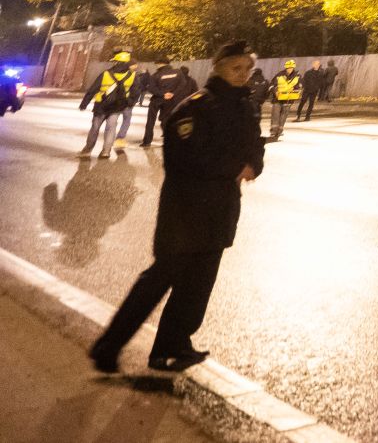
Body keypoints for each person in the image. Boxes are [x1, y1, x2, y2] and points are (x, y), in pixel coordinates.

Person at [89, 40, 263, 374]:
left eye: (248, 69)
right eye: (235, 68)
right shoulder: (194, 108)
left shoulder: (245, 107)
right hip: (185, 213)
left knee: (198, 286)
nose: (243, 75)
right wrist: (234, 168)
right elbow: (186, 159)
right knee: (158, 280)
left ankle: (172, 346)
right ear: (218, 67)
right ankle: (107, 347)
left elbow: (255, 146)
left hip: (221, 211)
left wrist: (254, 165)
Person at [79, 51, 140, 158]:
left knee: (95, 128)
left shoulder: (106, 74)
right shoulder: (132, 76)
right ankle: (106, 151)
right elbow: (136, 92)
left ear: (117, 62)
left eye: (116, 61)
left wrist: (84, 103)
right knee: (111, 129)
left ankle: (88, 149)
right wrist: (129, 103)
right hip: (117, 106)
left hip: (101, 106)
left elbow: (92, 90)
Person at [141, 62, 197, 148]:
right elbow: (182, 85)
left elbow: (151, 88)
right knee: (166, 120)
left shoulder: (156, 75)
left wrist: (162, 94)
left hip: (157, 100)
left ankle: (147, 141)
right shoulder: (178, 73)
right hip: (171, 101)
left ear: (160, 64)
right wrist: (173, 94)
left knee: (150, 121)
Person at [267, 59, 302, 141]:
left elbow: (298, 86)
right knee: (275, 115)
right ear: (286, 68)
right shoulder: (279, 75)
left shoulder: (297, 76)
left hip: (288, 99)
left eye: (291, 68)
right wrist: (275, 91)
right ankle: (273, 131)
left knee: (283, 116)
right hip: (277, 99)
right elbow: (271, 85)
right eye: (288, 68)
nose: (290, 69)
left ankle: (279, 131)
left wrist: (297, 91)